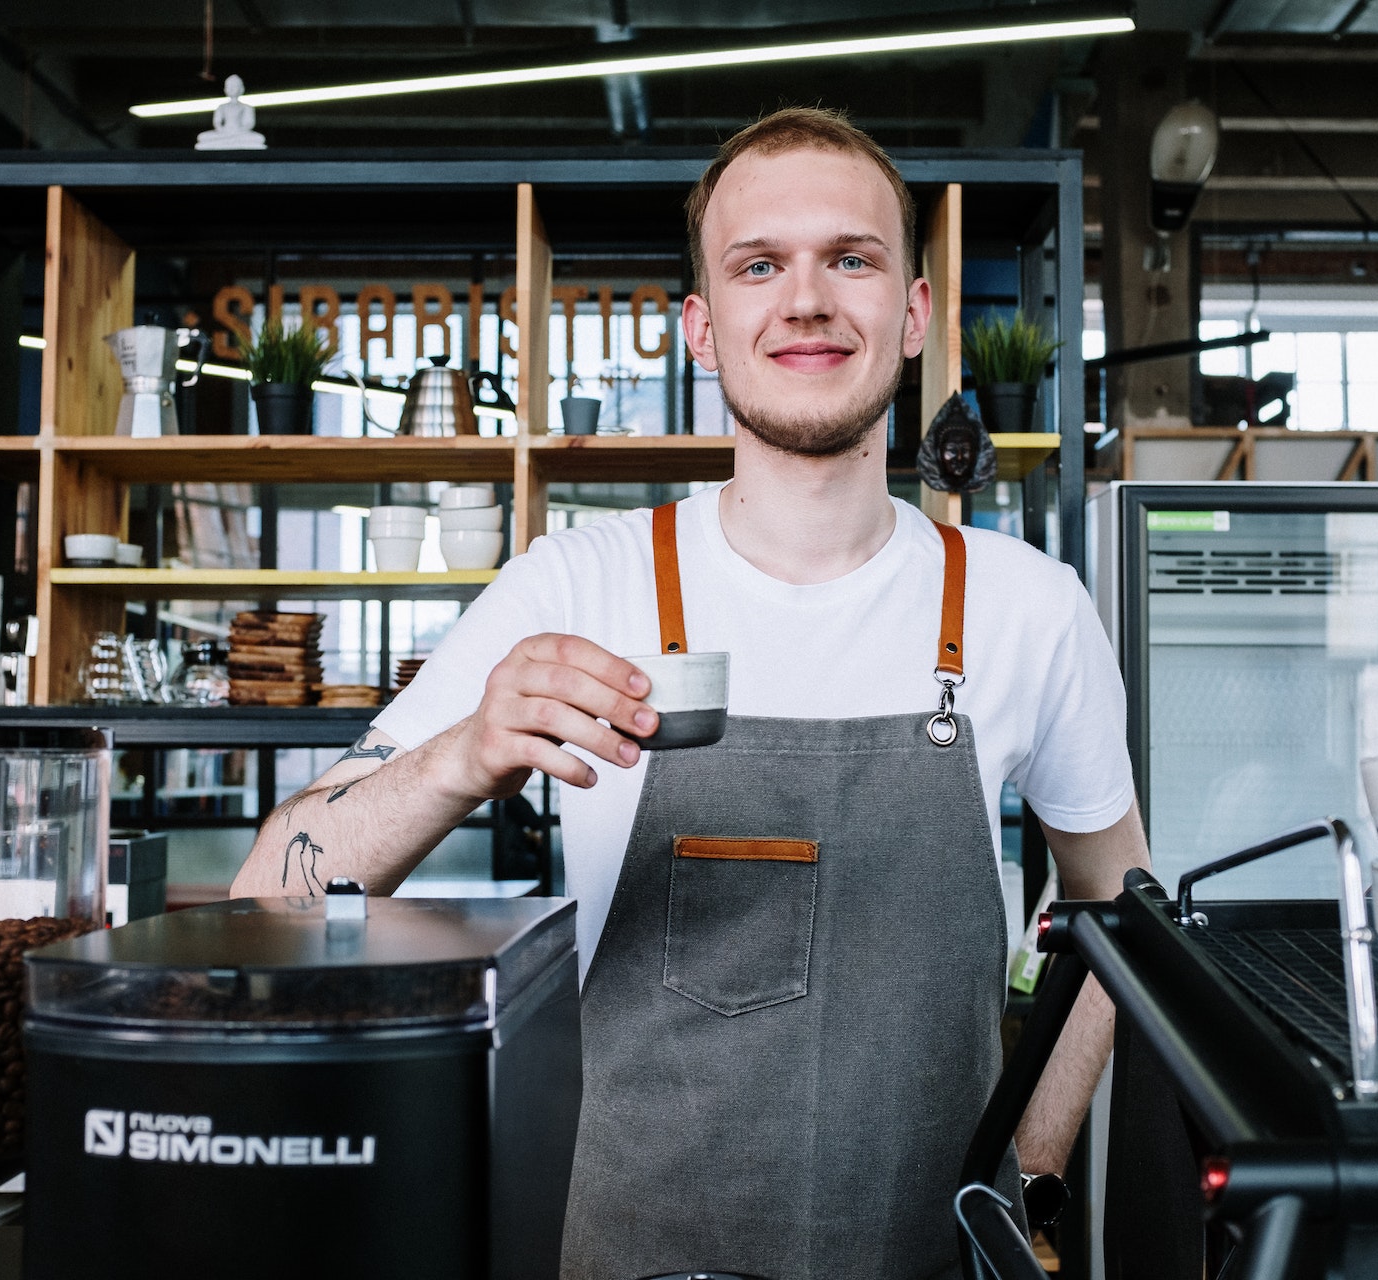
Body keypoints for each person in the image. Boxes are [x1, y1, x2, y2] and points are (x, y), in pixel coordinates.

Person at [231, 106, 1148, 1279]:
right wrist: (466, 749)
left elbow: (1121, 924)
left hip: (933, 1255)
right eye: (759, 264)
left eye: (851, 259)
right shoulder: (576, 583)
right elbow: (269, 901)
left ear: (915, 314)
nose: (806, 300)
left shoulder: (1030, 607)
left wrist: (1019, 1185)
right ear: (702, 330)